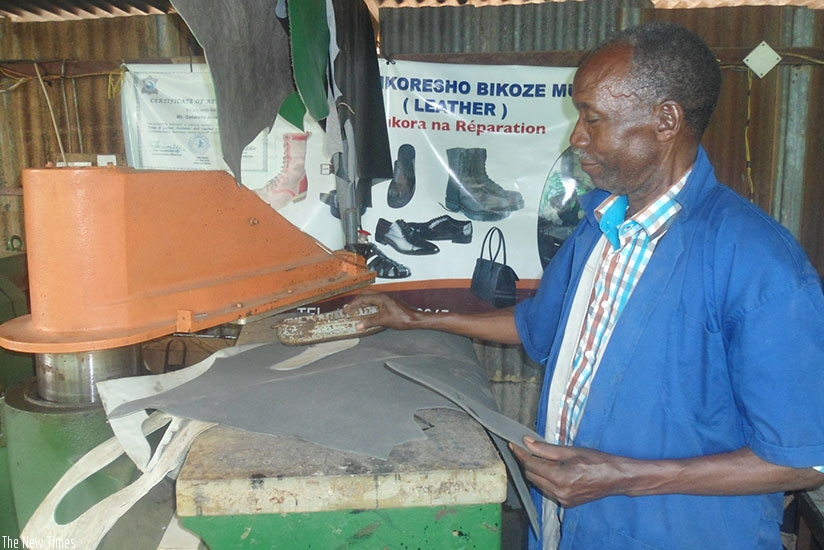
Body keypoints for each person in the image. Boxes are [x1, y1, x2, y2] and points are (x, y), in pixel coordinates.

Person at [346, 21, 824, 549]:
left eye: (592, 118)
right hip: (570, 526)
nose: (576, 137)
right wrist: (412, 318)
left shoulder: (759, 264)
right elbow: (537, 326)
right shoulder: (600, 227)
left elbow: (803, 460)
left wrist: (621, 476)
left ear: (666, 120)